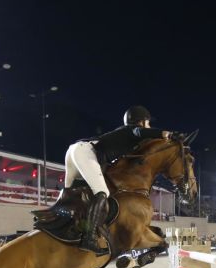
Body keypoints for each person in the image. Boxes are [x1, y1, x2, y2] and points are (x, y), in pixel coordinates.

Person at [62, 106, 172, 254]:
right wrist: (162, 133)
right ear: (140, 122)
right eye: (147, 123)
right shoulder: (133, 130)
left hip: (74, 151)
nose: (149, 126)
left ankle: (62, 225)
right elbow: (139, 132)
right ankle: (89, 238)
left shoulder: (124, 137)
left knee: (70, 192)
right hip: (85, 151)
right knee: (102, 192)